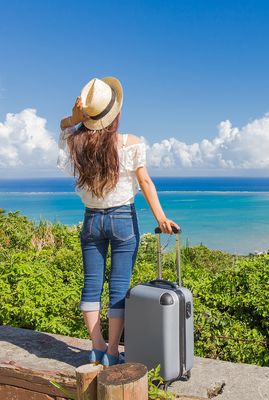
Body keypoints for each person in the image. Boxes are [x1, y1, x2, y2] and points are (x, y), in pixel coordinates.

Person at [57, 77, 178, 366]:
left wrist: (75, 118)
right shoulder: (129, 143)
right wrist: (161, 218)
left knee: (91, 284)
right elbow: (145, 181)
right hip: (124, 220)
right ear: (115, 114)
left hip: (91, 221)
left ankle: (96, 348)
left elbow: (64, 126)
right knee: (119, 286)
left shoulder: (75, 144)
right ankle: (112, 351)